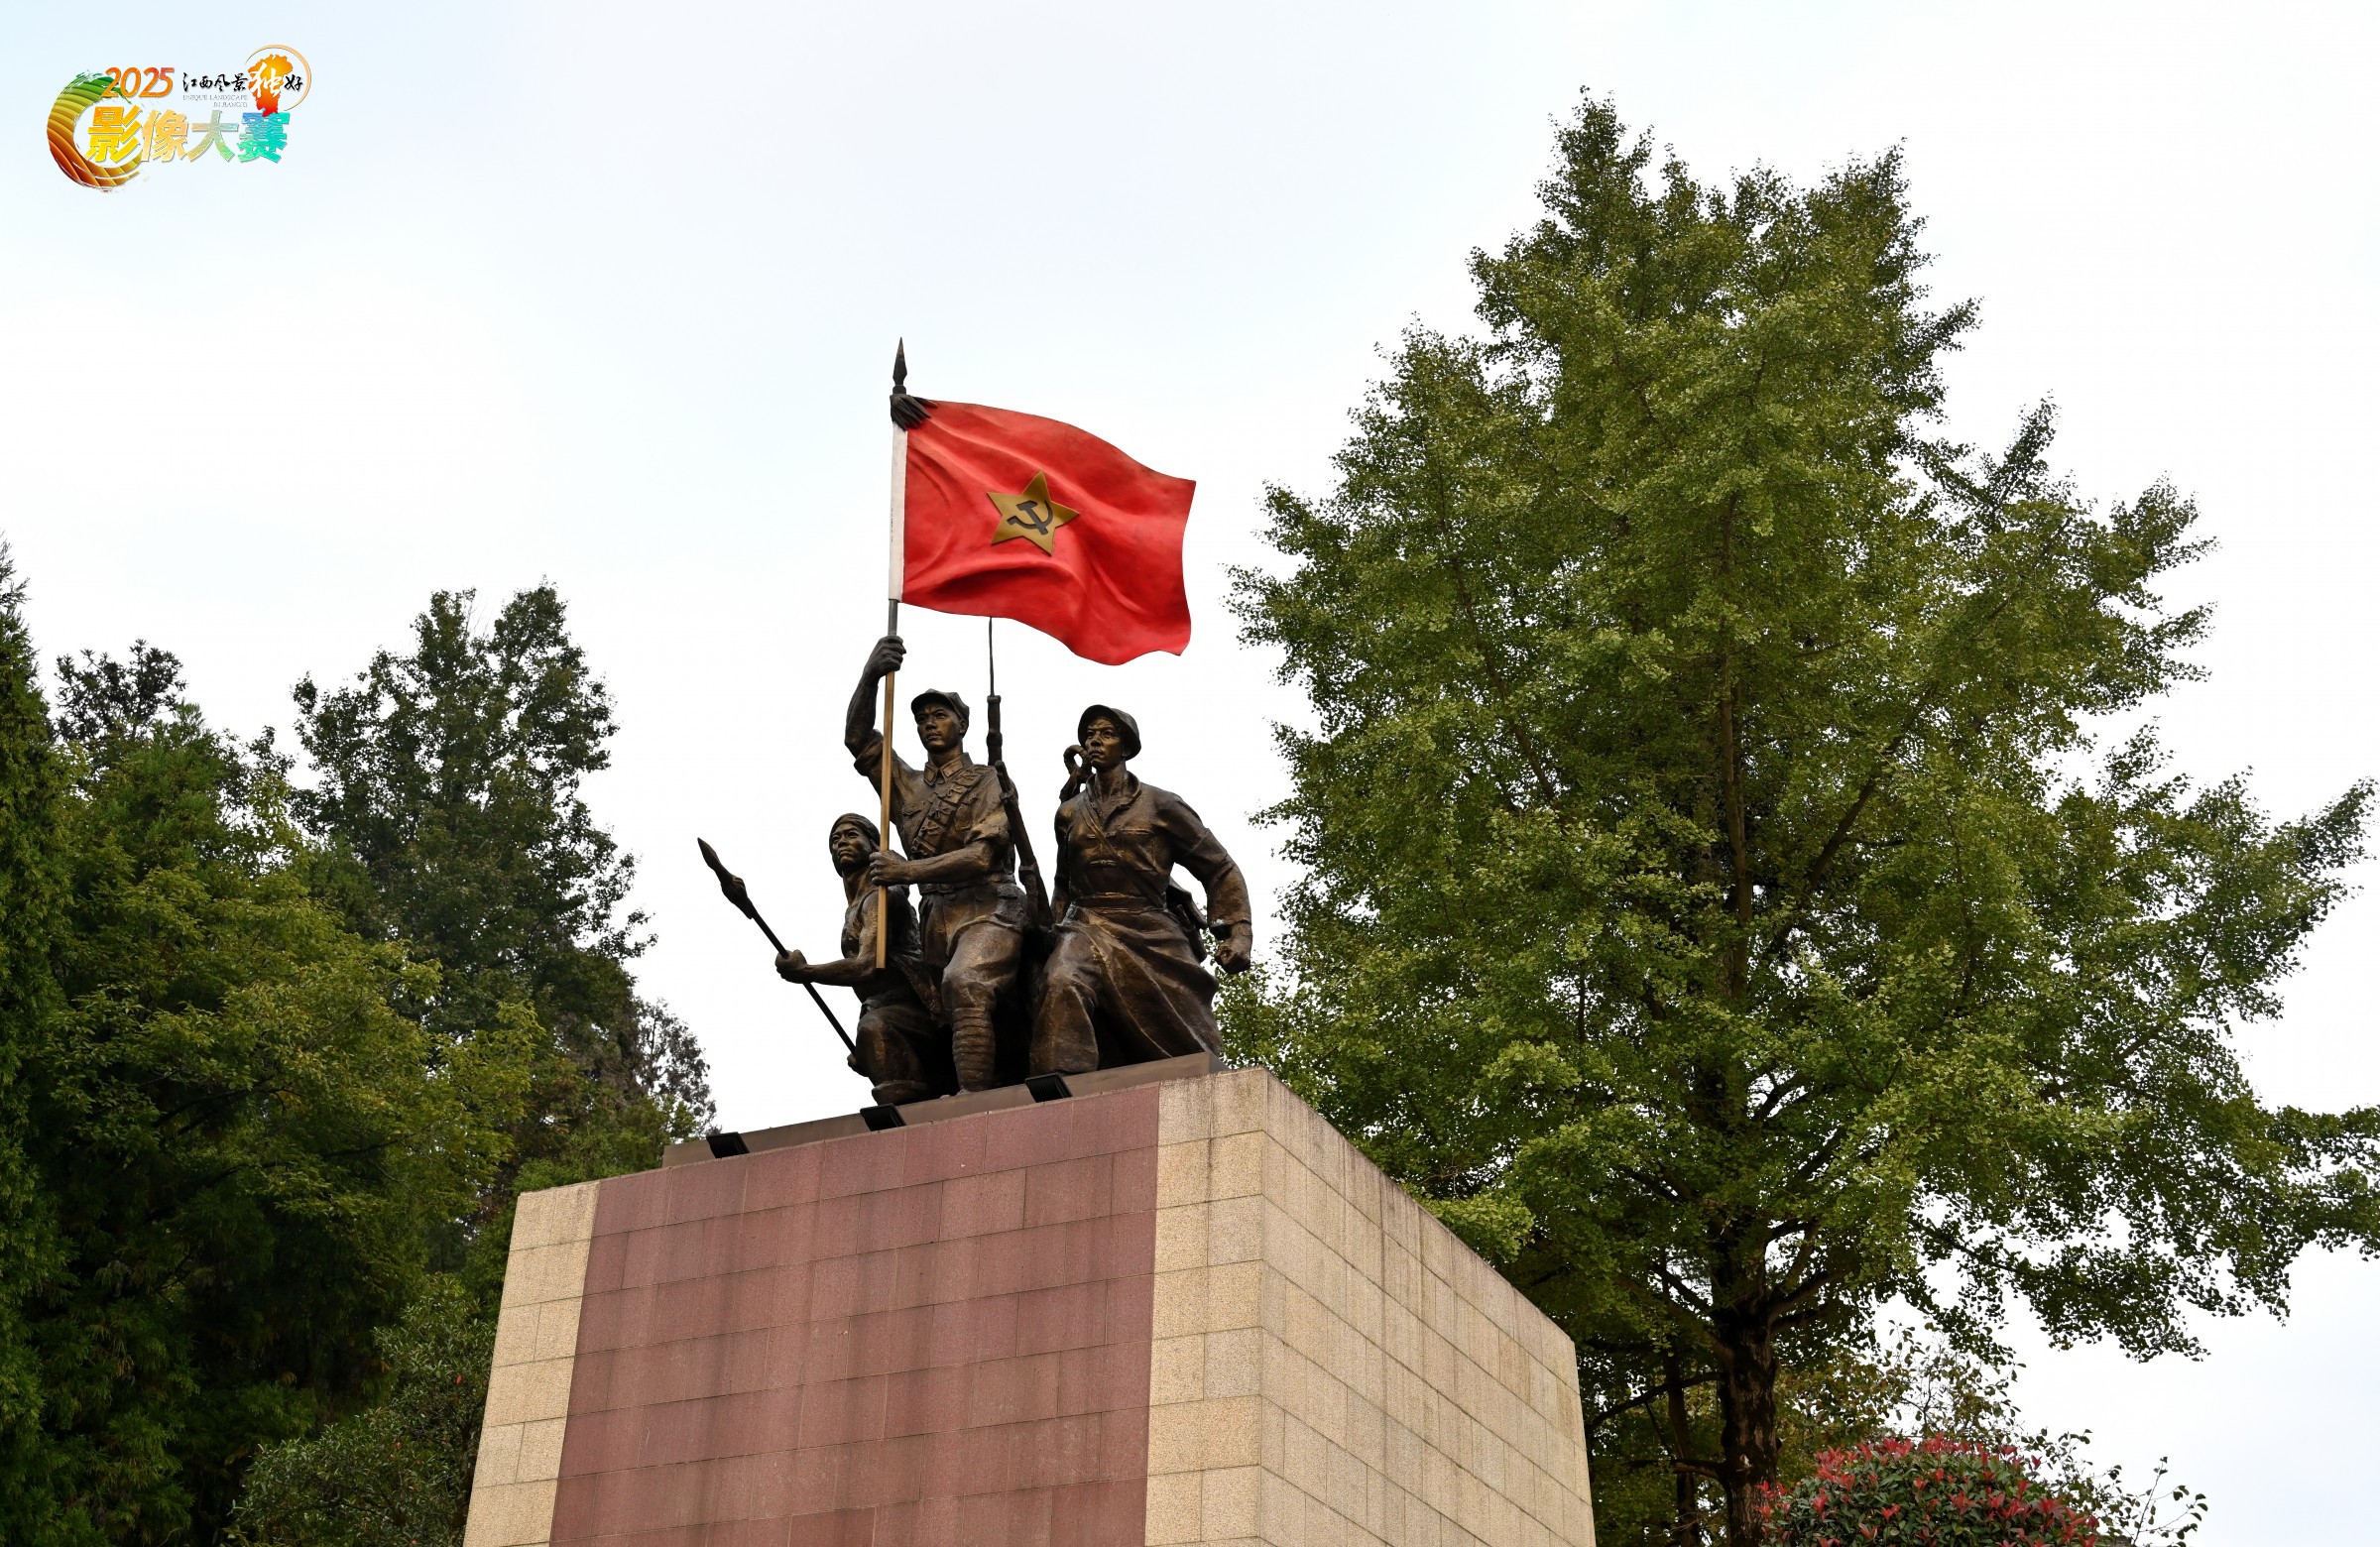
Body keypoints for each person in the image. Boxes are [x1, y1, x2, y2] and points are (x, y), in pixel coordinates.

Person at [844, 634, 1026, 1092]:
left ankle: (973, 1104)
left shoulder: (988, 781)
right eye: (922, 718)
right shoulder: (906, 785)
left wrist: (907, 872)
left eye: (939, 715)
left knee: (964, 983)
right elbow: (858, 739)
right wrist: (870, 676)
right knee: (914, 1015)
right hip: (936, 920)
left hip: (990, 908)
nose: (929, 724)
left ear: (962, 724)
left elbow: (982, 856)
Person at [1034, 704, 1251, 1075]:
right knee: (1062, 978)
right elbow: (1063, 883)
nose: (1095, 741)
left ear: (1127, 747)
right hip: (1086, 921)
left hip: (1148, 925)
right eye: (1089, 735)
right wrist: (1051, 931)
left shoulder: (1161, 804)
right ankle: (1062, 1083)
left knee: (1191, 1045)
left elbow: (1219, 866)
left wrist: (1239, 932)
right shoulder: (1069, 813)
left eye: (1107, 733)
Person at [774, 813, 948, 1108]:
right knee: (872, 1032)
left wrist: (807, 971)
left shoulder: (881, 897)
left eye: (851, 835)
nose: (840, 842)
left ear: (874, 845)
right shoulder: (857, 906)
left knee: (874, 1029)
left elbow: (868, 966)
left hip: (923, 1011)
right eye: (835, 839)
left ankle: (907, 1118)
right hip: (885, 1009)